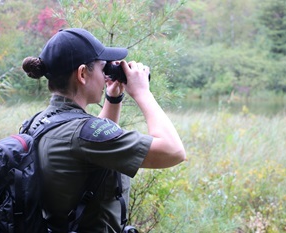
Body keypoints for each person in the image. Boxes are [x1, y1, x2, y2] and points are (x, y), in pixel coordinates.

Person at [22, 28, 186, 233]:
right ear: (82, 74)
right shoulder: (81, 133)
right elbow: (173, 151)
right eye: (102, 68)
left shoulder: (36, 124)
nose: (106, 74)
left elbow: (91, 151)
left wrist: (113, 98)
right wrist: (143, 92)